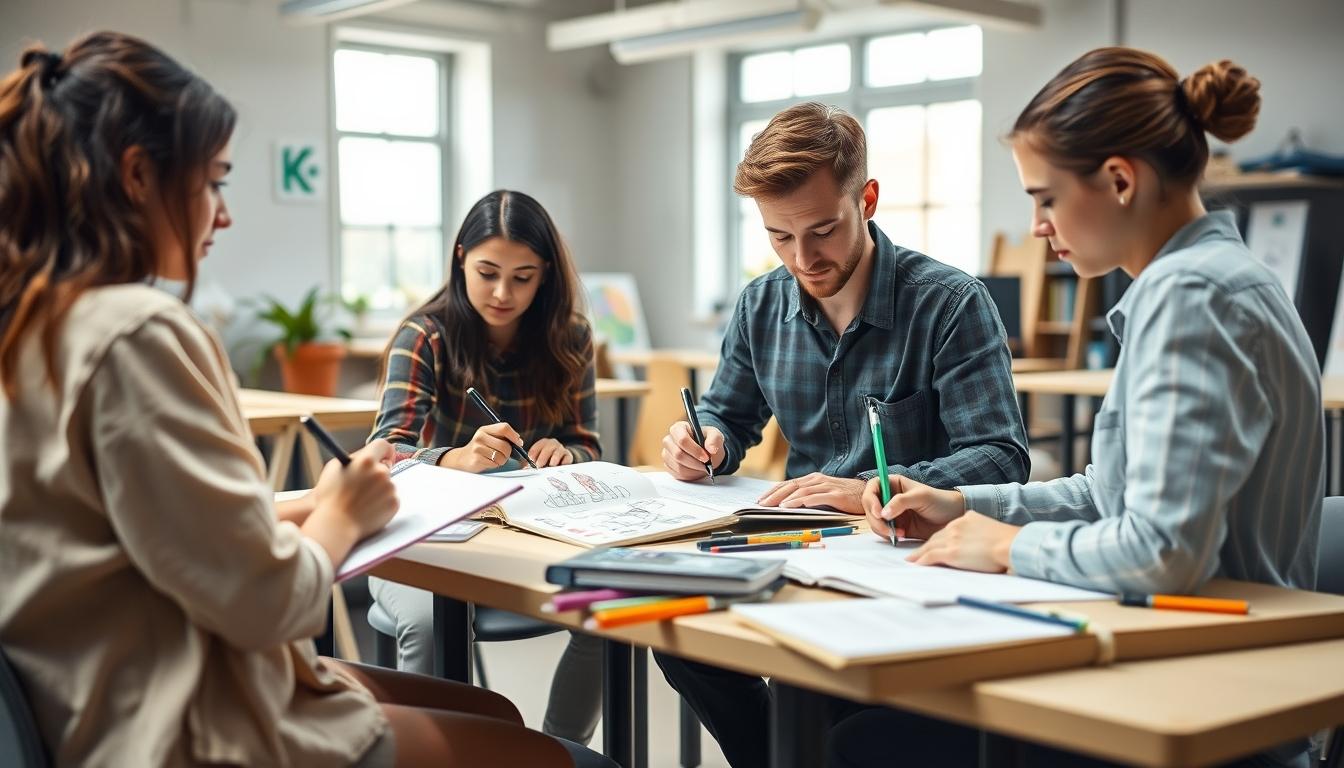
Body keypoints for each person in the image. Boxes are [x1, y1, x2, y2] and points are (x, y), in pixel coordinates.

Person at [0, 32, 614, 768]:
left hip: (97, 698)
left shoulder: (37, 326)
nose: (222, 216)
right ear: (138, 176)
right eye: (216, 183)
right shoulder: (137, 332)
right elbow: (273, 603)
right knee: (561, 756)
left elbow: (165, 532)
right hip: (183, 725)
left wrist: (315, 500)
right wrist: (340, 514)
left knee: (492, 709)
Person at [841, 48, 1321, 768]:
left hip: (1211, 692)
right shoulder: (1205, 279)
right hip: (1195, 655)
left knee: (864, 739)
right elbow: (1109, 495)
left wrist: (1002, 548)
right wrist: (961, 503)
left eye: (1045, 198)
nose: (1037, 227)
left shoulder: (1192, 297)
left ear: (1120, 180)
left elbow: (1161, 553)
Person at [654, 101, 1031, 768]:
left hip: (903, 565)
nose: (804, 257)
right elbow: (730, 417)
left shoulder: (950, 305)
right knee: (675, 631)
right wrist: (703, 440)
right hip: (797, 548)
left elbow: (1002, 458)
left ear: (869, 199)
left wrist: (864, 487)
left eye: (823, 230)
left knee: (841, 727)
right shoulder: (760, 304)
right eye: (779, 237)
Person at [367, 189, 605, 746]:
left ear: (545, 275)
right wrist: (454, 459)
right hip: (420, 538)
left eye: (523, 277)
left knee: (611, 603)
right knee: (429, 622)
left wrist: (565, 453)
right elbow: (385, 452)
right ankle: (438, 756)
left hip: (524, 536)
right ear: (459, 258)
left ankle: (554, 750)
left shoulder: (568, 338)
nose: (503, 293)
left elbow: (588, 445)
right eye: (488, 272)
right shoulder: (423, 335)